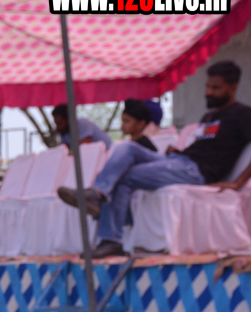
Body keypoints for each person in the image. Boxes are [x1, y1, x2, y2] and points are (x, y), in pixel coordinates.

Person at [58, 61, 251, 257]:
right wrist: (180, 151)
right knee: (128, 148)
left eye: (216, 88)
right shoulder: (208, 117)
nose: (209, 92)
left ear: (233, 87)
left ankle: (110, 238)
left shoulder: (242, 114)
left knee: (124, 176)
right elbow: (208, 147)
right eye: (207, 86)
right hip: (179, 161)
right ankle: (98, 193)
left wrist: (238, 182)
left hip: (195, 172)